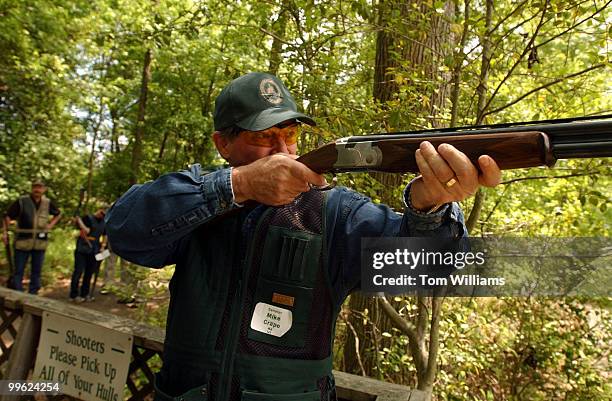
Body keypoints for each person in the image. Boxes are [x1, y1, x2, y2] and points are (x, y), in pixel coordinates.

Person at [105, 72, 501, 401]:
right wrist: (235, 186)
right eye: (263, 136)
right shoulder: (199, 197)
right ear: (223, 144)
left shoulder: (333, 210)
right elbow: (124, 231)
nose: (283, 150)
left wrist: (429, 206)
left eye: (289, 133)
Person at [2, 179, 61, 294]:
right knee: (18, 270)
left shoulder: (47, 202)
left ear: (44, 189)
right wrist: (5, 232)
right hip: (23, 241)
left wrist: (50, 226)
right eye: (35, 187)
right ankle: (17, 293)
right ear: (31, 188)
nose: (37, 189)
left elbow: (58, 214)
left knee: (37, 270)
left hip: (40, 242)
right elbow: (8, 216)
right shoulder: (22, 201)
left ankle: (33, 294)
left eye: (39, 187)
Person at [70, 207, 106, 302]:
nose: (102, 215)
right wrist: (79, 221)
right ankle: (73, 295)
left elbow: (105, 235)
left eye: (104, 214)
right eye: (102, 212)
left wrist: (103, 246)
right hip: (82, 248)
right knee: (78, 272)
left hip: (95, 250)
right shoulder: (87, 218)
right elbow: (86, 231)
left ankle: (85, 294)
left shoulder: (104, 221)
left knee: (89, 273)